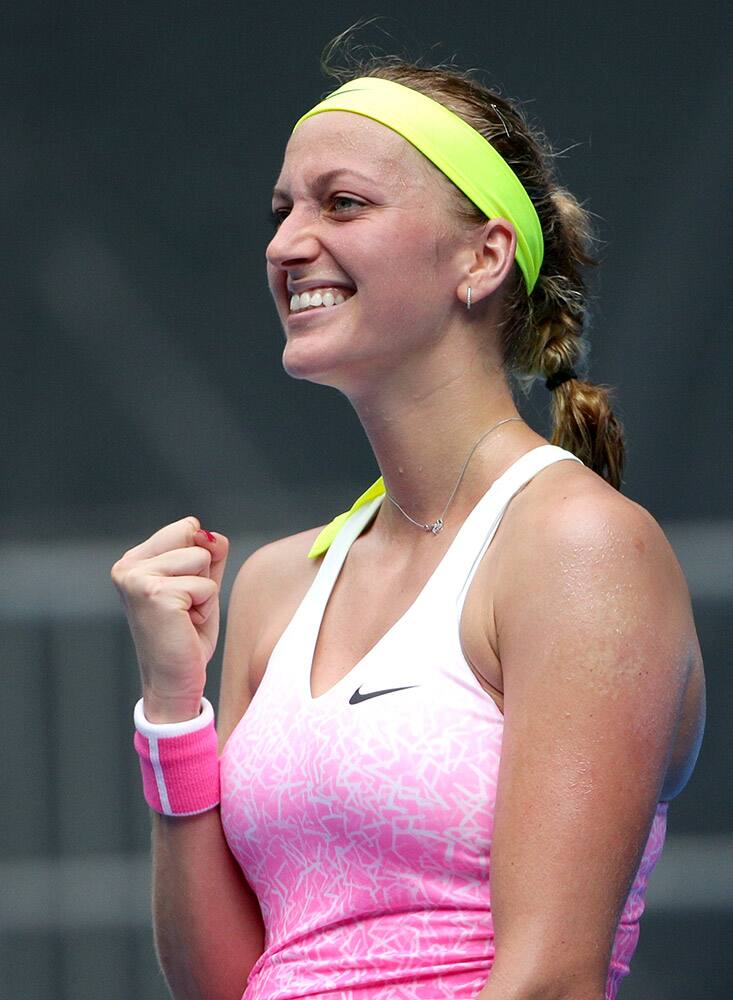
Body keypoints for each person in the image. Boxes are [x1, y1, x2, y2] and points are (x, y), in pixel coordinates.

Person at [112, 50, 706, 1000]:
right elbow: (226, 983)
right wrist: (173, 711)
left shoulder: (578, 547)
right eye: (283, 211)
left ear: (483, 256)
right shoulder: (272, 586)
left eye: (340, 204)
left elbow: (549, 980)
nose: (287, 244)